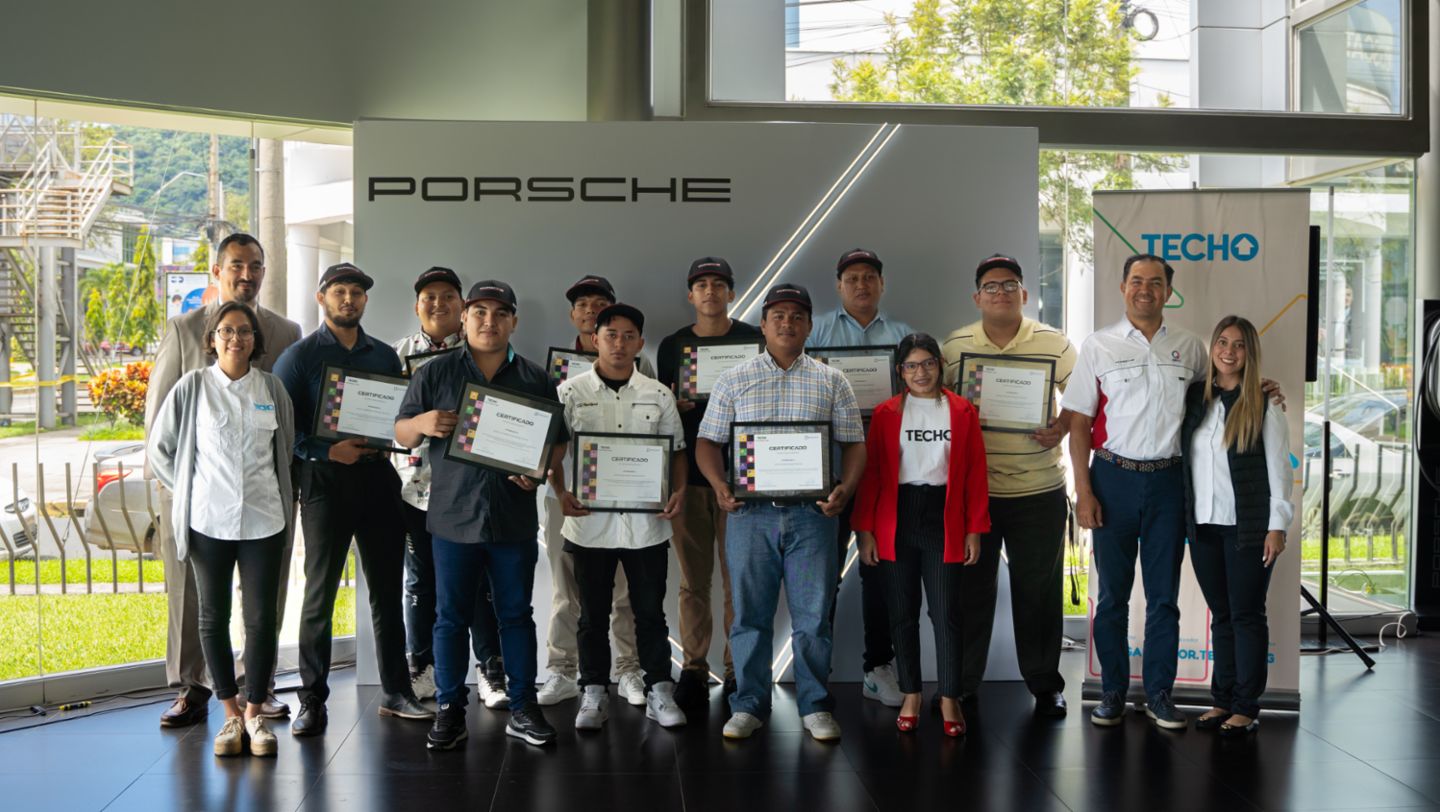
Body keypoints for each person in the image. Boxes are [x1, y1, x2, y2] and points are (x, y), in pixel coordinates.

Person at [395, 280, 566, 749]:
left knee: (516, 615)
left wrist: (540, 472)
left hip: (511, 520)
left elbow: (558, 440)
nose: (489, 322)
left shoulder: (535, 378)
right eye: (480, 313)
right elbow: (402, 432)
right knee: (449, 619)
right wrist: (422, 423)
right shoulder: (435, 374)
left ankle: (523, 707)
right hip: (452, 518)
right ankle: (450, 710)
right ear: (465, 318)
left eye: (500, 314)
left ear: (514, 321)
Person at [143, 232, 301, 729]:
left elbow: (292, 422)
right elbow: (158, 427)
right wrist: (181, 490)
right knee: (193, 600)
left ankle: (262, 688)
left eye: (256, 265)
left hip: (262, 499)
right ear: (217, 270)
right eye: (236, 264)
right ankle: (193, 688)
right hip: (198, 499)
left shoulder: (286, 332)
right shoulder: (184, 329)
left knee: (263, 600)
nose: (246, 274)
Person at [696, 282, 865, 742]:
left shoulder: (832, 380)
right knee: (749, 616)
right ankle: (748, 703)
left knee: (813, 617)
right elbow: (708, 443)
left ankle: (815, 705)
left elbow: (854, 445)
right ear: (764, 325)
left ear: (809, 325)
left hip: (814, 517)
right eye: (778, 316)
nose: (787, 323)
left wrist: (845, 489)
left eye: (796, 316)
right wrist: (718, 485)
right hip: (750, 518)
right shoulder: (734, 378)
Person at [273, 262, 432, 736]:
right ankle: (313, 700)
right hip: (324, 483)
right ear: (322, 298)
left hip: (378, 479)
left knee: (386, 590)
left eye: (357, 293)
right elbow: (286, 430)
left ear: (366, 301)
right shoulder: (298, 358)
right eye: (340, 291)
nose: (349, 299)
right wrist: (325, 450)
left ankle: (396, 692)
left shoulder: (384, 357)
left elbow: (398, 419)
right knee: (319, 595)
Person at [1065, 254, 1208, 730]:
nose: (1145, 289)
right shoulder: (1098, 346)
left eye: (1155, 282)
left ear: (1169, 290)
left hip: (1169, 482)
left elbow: (1216, 401)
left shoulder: (1191, 348)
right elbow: (1080, 425)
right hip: (1113, 479)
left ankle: (1161, 695)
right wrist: (1084, 492)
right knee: (1112, 597)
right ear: (1123, 287)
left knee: (1164, 597)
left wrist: (1259, 388)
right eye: (1136, 281)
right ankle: (1112, 693)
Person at [941, 254, 1075, 717]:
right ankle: (962, 684)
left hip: (1039, 489)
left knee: (1037, 592)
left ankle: (1043, 683)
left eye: (1010, 284)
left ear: (1025, 294)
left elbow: (1084, 397)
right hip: (974, 495)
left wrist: (1061, 425)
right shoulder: (955, 345)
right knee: (969, 594)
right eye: (991, 286)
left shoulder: (1054, 343)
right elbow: (932, 402)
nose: (1000, 292)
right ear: (976, 297)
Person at [552, 303, 689, 730]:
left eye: (629, 336)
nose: (619, 343)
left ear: (640, 343)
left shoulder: (658, 394)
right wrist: (561, 493)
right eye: (611, 334)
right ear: (596, 339)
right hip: (588, 523)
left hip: (646, 525)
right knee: (591, 613)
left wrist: (679, 490)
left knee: (650, 612)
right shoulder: (570, 392)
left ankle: (659, 690)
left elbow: (677, 452)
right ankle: (593, 691)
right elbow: (554, 453)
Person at [852, 333, 988, 737]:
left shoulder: (962, 411)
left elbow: (976, 474)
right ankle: (910, 692)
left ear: (939, 365)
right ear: (900, 372)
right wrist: (864, 531)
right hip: (897, 517)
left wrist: (975, 529)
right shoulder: (887, 413)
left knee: (946, 613)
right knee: (902, 613)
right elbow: (873, 475)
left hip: (944, 516)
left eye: (927, 363)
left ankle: (949, 696)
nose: (920, 372)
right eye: (911, 366)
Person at [391, 266, 508, 710]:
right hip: (413, 487)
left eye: (448, 297)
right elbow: (386, 422)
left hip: (471, 490)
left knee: (479, 583)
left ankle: (490, 669)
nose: (438, 304)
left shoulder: (482, 352)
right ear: (416, 305)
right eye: (429, 297)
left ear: (463, 308)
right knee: (420, 582)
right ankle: (421, 666)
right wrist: (419, 424)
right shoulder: (396, 355)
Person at [809, 248, 916, 708]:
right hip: (827, 473)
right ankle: (817, 673)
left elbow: (923, 395)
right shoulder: (815, 334)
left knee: (883, 574)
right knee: (822, 576)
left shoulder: (903, 336)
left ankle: (878, 668)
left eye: (870, 276)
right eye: (851, 277)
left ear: (882, 284)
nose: (861, 284)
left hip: (888, 473)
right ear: (838, 286)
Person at [536, 274, 649, 706]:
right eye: (582, 304)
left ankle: (628, 669)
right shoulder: (553, 373)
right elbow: (546, 436)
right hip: (566, 495)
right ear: (574, 315)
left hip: (627, 497)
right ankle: (563, 671)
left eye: (598, 304)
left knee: (623, 589)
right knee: (567, 589)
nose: (589, 310)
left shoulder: (643, 365)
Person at [654, 257, 762, 704]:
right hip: (691, 479)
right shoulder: (674, 345)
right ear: (690, 295)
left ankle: (738, 670)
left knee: (739, 580)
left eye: (719, 284)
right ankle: (695, 669)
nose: (711, 291)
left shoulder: (754, 340)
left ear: (732, 293)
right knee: (693, 582)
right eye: (701, 284)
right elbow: (661, 411)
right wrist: (674, 406)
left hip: (745, 479)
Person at [1181, 316, 1292, 737]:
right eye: (1222, 342)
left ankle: (1247, 705)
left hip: (1248, 528)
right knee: (1222, 616)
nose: (1229, 351)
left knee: (1246, 616)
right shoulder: (1196, 399)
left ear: (1250, 353)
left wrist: (1277, 526)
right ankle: (1222, 699)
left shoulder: (1264, 404)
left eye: (1239, 345)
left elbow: (1279, 469)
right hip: (1204, 527)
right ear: (1212, 347)